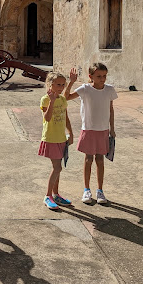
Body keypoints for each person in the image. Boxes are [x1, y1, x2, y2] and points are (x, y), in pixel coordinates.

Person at [65, 63, 117, 205]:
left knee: (100, 160)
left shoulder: (109, 90)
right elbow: (66, 97)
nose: (102, 79)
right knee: (88, 159)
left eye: (104, 76)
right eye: (99, 76)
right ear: (91, 76)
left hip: (103, 130)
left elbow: (111, 109)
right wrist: (71, 82)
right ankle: (86, 189)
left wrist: (112, 128)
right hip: (88, 129)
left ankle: (100, 190)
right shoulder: (85, 89)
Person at [39, 71, 75, 210]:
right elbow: (47, 118)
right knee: (57, 167)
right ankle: (48, 196)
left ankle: (56, 194)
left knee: (58, 168)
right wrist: (52, 101)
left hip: (61, 138)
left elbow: (66, 118)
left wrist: (70, 133)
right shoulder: (45, 99)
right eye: (58, 84)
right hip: (50, 138)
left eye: (63, 84)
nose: (61, 87)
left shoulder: (63, 100)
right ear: (50, 84)